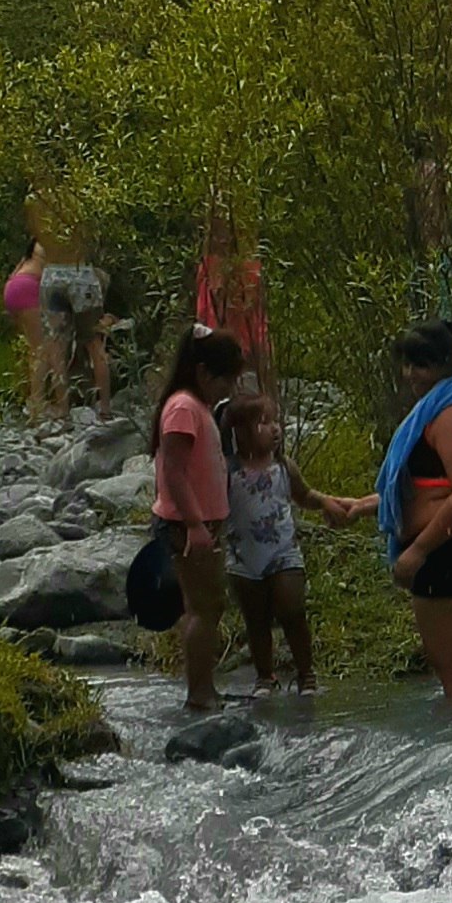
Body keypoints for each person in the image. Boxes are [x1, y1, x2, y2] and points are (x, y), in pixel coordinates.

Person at [345, 320, 452, 703]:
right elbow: (431, 489)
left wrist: (417, 551)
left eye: (421, 365)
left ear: (446, 363)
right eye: (407, 364)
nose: (410, 375)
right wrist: (363, 505)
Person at [224, 395, 348, 694]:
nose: (275, 429)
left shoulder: (283, 467)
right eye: (264, 423)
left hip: (283, 553)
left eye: (275, 421)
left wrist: (326, 504)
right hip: (242, 558)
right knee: (255, 619)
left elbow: (304, 495)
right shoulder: (227, 471)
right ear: (239, 433)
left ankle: (306, 674)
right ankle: (265, 677)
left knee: (292, 609)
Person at [151, 324, 247, 712]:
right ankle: (200, 692)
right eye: (226, 380)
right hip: (187, 525)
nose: (229, 390)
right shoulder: (183, 408)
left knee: (204, 605)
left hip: (199, 524)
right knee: (206, 607)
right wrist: (194, 524)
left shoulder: (195, 406)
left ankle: (202, 687)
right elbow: (173, 471)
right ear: (205, 373)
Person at [30, 199, 112, 421]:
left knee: (56, 346)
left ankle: (62, 409)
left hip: (52, 275)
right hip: (80, 274)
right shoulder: (80, 200)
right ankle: (104, 408)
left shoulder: (36, 204)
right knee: (95, 342)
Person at [195, 205, 274, 395]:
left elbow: (257, 313)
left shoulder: (250, 270)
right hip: (218, 347)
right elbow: (203, 313)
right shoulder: (207, 267)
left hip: (245, 344)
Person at [3, 244, 47, 417]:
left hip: (13, 286)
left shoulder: (31, 249)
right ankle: (37, 403)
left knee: (33, 349)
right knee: (41, 349)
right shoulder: (46, 243)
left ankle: (32, 396)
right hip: (27, 288)